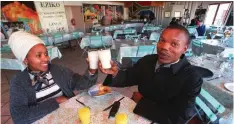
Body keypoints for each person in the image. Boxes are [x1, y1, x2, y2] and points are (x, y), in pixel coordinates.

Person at [99, 25, 203, 124]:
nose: (164, 47)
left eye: (174, 44)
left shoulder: (192, 78)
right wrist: (115, 73)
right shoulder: (148, 60)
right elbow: (129, 77)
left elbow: (178, 118)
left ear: (184, 49)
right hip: (135, 112)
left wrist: (141, 101)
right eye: (162, 40)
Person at [9, 31, 98, 124]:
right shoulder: (19, 81)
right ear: (25, 60)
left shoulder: (57, 70)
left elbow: (82, 83)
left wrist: (92, 70)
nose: (46, 58)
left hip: (68, 118)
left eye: (46, 54)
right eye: (39, 55)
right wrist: (57, 101)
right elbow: (19, 117)